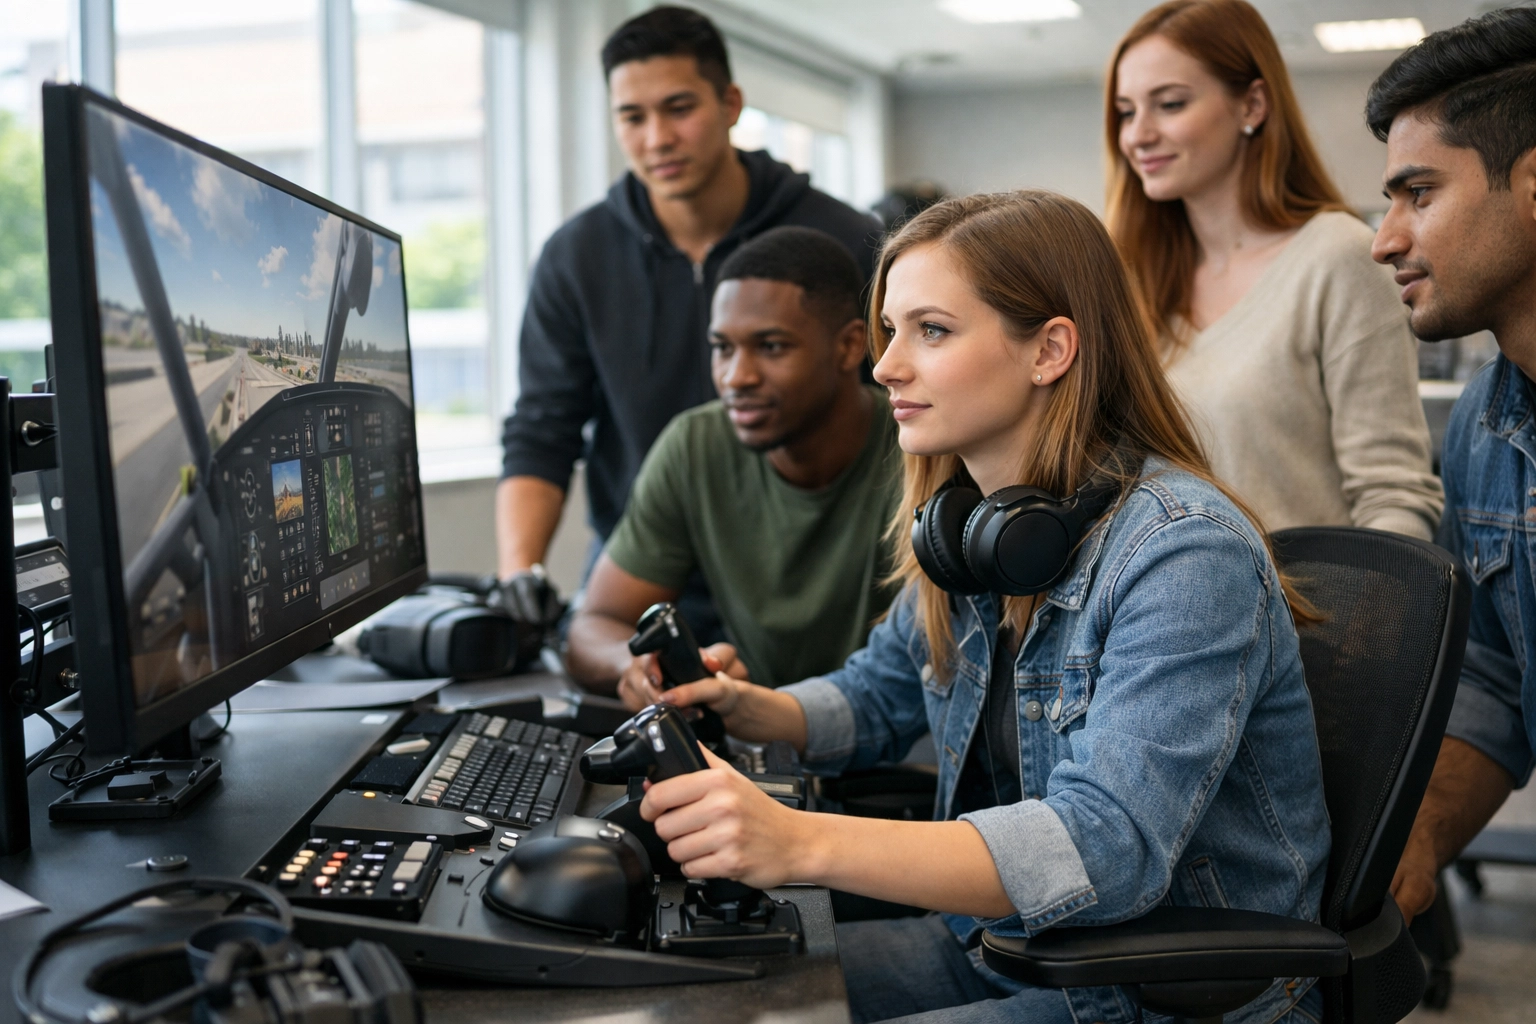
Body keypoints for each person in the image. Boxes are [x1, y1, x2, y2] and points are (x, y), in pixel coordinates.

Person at [626, 191, 1330, 1024]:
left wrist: (797, 840)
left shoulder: (1184, 553)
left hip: (1157, 993)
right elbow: (874, 694)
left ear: (1050, 350)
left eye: (930, 330)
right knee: (685, 992)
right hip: (999, 948)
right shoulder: (972, 531)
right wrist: (751, 708)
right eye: (889, 331)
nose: (885, 365)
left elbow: (1103, 849)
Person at [494, 6, 881, 642]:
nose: (657, 139)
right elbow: (543, 426)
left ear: (730, 103)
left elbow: (900, 408)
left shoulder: (842, 240)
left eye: (679, 108)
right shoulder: (577, 255)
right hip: (644, 565)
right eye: (632, 116)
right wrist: (519, 573)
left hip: (812, 572)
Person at [1106, 0, 1442, 538]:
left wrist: (1364, 622)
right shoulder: (1132, 278)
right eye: (1126, 112)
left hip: (1301, 616)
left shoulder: (1337, 257)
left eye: (1169, 104)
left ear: (1253, 105)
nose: (1137, 135)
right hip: (1155, 617)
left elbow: (1393, 497)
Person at [566, 227, 901, 695]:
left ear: (849, 347)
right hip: (759, 736)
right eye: (722, 348)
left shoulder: (918, 447)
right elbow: (596, 624)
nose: (736, 377)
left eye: (771, 347)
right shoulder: (694, 445)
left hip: (907, 745)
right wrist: (641, 665)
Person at [1365, 8, 1536, 924]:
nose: (1385, 238)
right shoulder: (1482, 426)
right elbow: (1499, 676)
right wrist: (1417, 837)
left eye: (1418, 194)